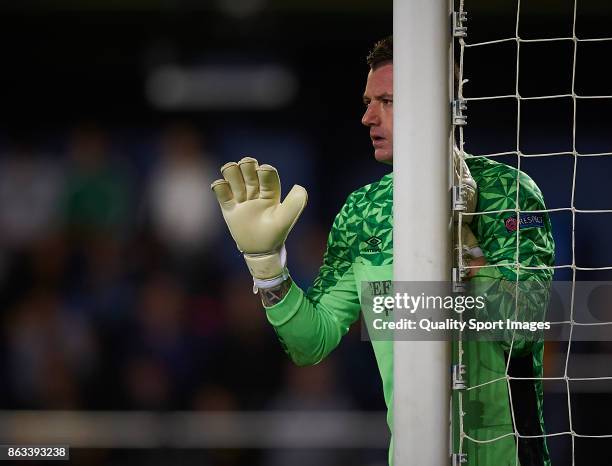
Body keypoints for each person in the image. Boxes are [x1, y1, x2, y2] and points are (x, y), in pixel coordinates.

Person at [211, 36, 555, 466]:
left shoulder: (508, 191)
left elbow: (524, 332)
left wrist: (466, 244)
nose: (367, 116)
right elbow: (310, 343)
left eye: (387, 101)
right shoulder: (362, 212)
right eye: (368, 101)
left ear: (436, 106)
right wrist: (268, 270)